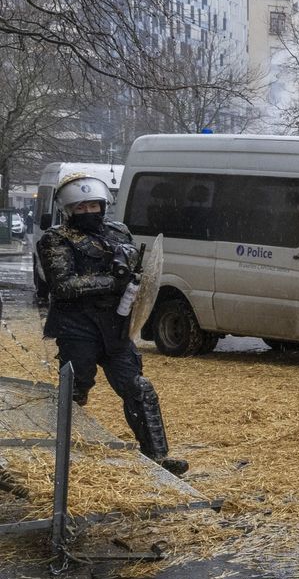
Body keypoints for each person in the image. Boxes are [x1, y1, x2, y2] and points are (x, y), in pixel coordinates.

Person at [36, 174, 187, 476]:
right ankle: (56, 460)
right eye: (81, 207)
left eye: (94, 205)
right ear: (69, 210)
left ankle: (158, 457)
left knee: (138, 387)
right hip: (77, 326)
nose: (89, 211)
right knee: (75, 392)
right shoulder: (56, 238)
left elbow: (138, 272)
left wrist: (134, 283)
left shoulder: (119, 231)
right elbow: (63, 285)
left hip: (116, 323)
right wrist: (112, 281)